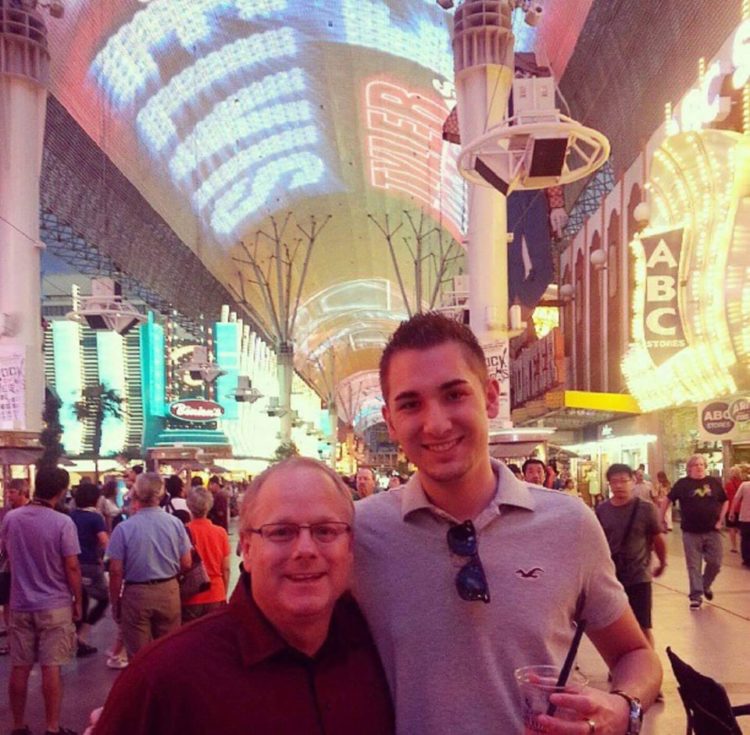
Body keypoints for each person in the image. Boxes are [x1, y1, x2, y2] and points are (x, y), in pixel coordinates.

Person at [354, 312, 661, 735]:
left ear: (491, 397)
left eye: (454, 395)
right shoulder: (359, 533)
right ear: (390, 421)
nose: (437, 423)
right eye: (411, 404)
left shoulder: (569, 525)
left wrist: (621, 707)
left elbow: (635, 655)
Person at [92, 457, 394, 735]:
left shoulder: (379, 654)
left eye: (326, 531)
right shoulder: (164, 679)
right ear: (247, 549)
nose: (306, 550)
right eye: (281, 532)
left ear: (350, 546)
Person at [1, 467, 82, 735]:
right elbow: (71, 566)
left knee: (19, 667)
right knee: (51, 667)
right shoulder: (62, 523)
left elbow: (7, 554)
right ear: (61, 491)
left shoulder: (12, 518)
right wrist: (77, 601)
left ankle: (18, 726)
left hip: (20, 602)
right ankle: (51, 727)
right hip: (55, 605)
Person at [107, 473, 192, 657]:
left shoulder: (124, 528)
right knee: (168, 651)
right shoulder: (176, 524)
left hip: (136, 594)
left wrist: (115, 603)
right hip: (168, 590)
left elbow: (115, 571)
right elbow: (186, 562)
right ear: (161, 495)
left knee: (139, 657)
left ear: (136, 494)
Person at [595, 464, 667, 649]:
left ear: (633, 481)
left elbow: (657, 537)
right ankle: (620, 664)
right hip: (611, 577)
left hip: (639, 576)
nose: (619, 485)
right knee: (614, 625)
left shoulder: (646, 508)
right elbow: (597, 542)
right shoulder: (602, 510)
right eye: (614, 481)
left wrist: (662, 562)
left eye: (623, 480)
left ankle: (649, 663)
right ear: (609, 484)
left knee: (643, 625)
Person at [663, 454, 728, 609]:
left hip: (712, 530)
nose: (699, 467)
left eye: (702, 464)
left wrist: (720, 520)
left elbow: (725, 500)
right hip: (690, 532)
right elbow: (667, 499)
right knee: (693, 565)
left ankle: (705, 585)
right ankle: (696, 596)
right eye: (696, 465)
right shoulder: (682, 484)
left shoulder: (713, 482)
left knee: (715, 563)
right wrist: (660, 519)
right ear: (689, 468)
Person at [70, 482, 109, 657]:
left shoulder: (71, 516)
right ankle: (82, 636)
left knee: (81, 600)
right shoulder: (95, 518)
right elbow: (105, 542)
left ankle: (76, 640)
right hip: (90, 565)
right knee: (103, 600)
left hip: (72, 564)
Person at [181, 486, 231, 622]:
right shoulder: (221, 533)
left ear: (189, 506)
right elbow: (225, 569)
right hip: (216, 593)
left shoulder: (183, 531)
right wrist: (223, 593)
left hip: (191, 596)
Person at [729, 476, 750, 566]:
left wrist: (731, 511)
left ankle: (747, 559)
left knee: (745, 538)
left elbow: (736, 498)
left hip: (745, 517)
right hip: (745, 516)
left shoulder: (745, 485)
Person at [724, 465, 743, 554]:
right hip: (741, 508)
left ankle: (734, 547)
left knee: (732, 528)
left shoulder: (728, 484)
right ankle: (742, 545)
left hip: (730, 508)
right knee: (741, 528)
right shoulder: (742, 484)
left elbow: (725, 496)